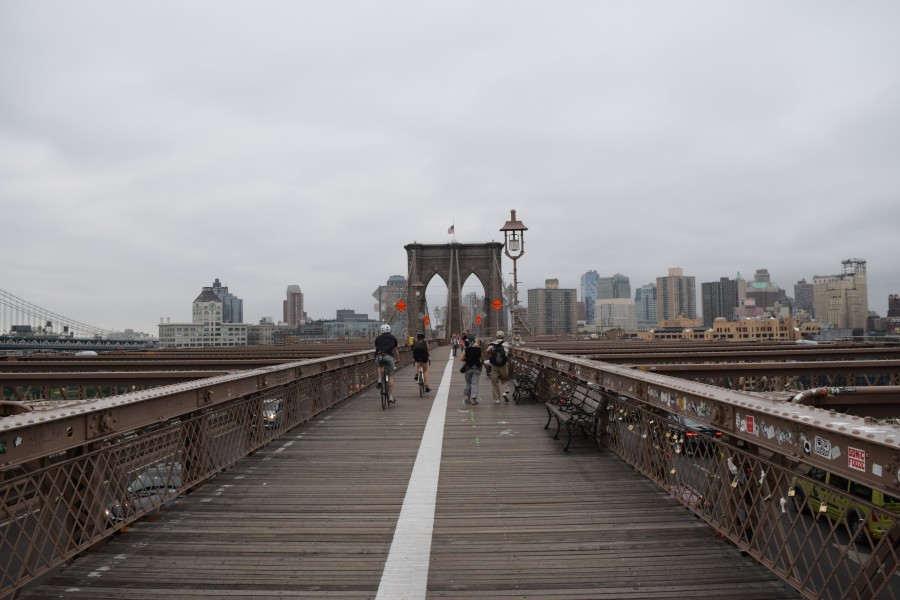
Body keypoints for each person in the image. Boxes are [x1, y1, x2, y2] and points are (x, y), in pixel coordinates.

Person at [374, 324, 399, 404]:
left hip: (380, 356)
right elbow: (395, 350)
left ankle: (379, 379)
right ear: (389, 330)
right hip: (389, 357)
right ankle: (390, 396)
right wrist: (398, 359)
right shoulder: (393, 338)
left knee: (380, 366)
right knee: (390, 375)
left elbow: (376, 348)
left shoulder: (377, 338)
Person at [485, 330, 511, 403]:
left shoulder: (492, 344)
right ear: (503, 336)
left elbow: (487, 351)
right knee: (505, 379)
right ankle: (505, 392)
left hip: (494, 365)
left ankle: (497, 399)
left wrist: (490, 351)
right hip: (504, 365)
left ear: (496, 336)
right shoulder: (506, 343)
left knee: (494, 382)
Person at [460, 337, 482, 404]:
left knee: (468, 383)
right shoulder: (479, 349)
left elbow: (461, 358)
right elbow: (482, 358)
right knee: (474, 383)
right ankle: (473, 399)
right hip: (477, 368)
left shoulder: (466, 349)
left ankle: (468, 399)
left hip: (468, 368)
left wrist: (466, 359)